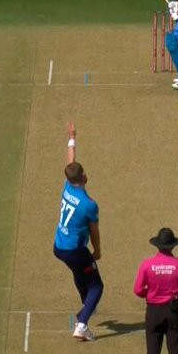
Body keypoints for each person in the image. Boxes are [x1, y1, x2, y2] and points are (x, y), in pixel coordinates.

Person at [53, 122, 103, 341]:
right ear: (84, 177)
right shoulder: (89, 204)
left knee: (78, 271)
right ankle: (82, 325)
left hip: (59, 246)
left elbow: (70, 162)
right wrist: (97, 251)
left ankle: (86, 304)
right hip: (75, 250)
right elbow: (94, 232)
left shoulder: (67, 185)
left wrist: (72, 137)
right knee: (97, 286)